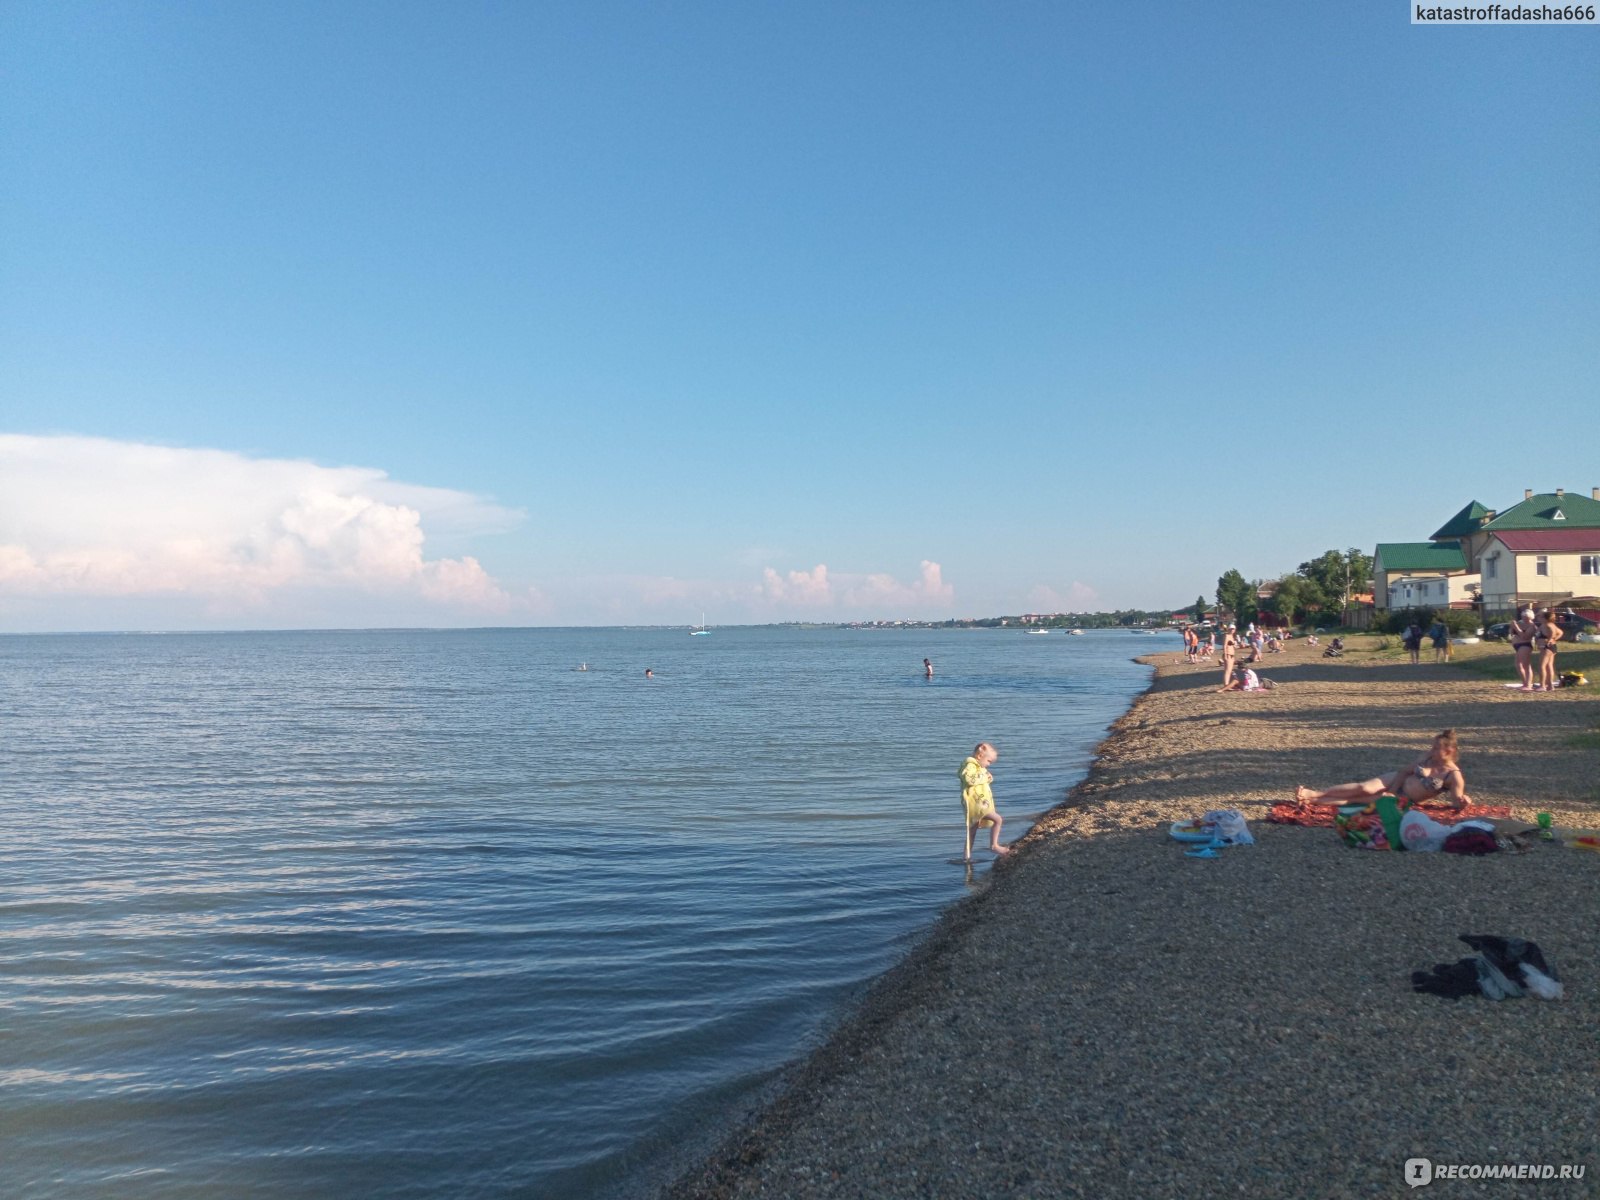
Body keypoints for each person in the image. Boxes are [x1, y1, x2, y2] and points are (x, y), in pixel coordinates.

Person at [1294, 729, 1471, 811]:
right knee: (1363, 788)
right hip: (1395, 781)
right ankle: (1314, 793)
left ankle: (1311, 801)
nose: (1432, 750)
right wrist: (1392, 790)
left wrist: (1464, 802)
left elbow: (1456, 801)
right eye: (1432, 747)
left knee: (1358, 801)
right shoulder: (1427, 758)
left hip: (1405, 797)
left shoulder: (1453, 775)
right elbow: (1404, 771)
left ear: (1450, 751)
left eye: (1436, 748)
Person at [959, 742, 1008, 860]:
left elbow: (981, 779)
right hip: (976, 803)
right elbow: (969, 779)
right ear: (980, 756)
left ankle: (967, 856)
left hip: (979, 803)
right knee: (997, 819)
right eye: (988, 761)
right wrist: (985, 777)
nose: (988, 765)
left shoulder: (979, 767)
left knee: (972, 830)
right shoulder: (970, 765)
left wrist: (988, 777)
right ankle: (994, 845)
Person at [1509, 606, 1538, 691]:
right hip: (1517, 645)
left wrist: (1516, 627)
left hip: (1525, 644)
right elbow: (1511, 633)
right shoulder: (1519, 623)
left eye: (1526, 617)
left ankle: (1528, 684)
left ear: (1530, 617)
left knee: (1526, 665)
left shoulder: (1532, 626)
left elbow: (1524, 636)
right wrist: (1512, 627)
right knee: (1518, 665)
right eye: (1523, 617)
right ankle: (1524, 682)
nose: (1524, 619)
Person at [1536, 609, 1563, 692]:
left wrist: (1550, 639)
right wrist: (1554, 639)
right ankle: (1550, 686)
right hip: (1550, 647)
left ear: (1545, 618)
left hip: (1547, 647)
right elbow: (1561, 632)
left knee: (1542, 666)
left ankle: (1542, 685)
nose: (1539, 618)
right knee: (1549, 666)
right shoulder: (1550, 624)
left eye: (1541, 616)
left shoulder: (1548, 625)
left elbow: (1552, 632)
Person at [1220, 624, 1238, 689]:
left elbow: (1232, 646)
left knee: (1229, 670)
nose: (1232, 630)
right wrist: (1225, 654)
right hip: (1228, 654)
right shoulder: (1227, 636)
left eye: (1233, 629)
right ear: (1229, 629)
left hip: (1232, 654)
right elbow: (1224, 645)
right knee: (1227, 671)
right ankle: (1226, 685)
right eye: (1231, 629)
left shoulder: (1232, 636)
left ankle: (1226, 685)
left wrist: (1235, 645)